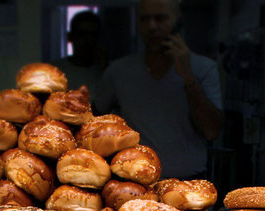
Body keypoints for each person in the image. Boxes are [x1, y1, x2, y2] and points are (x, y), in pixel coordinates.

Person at [94, 0, 223, 180]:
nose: (152, 26)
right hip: (134, 186)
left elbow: (211, 130)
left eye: (160, 18)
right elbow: (93, 124)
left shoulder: (204, 68)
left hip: (189, 187)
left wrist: (187, 76)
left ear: (178, 21)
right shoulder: (118, 71)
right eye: (145, 19)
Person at [52, 11, 107, 97]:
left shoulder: (109, 71)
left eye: (93, 35)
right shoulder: (54, 72)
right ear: (70, 36)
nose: (87, 40)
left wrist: (105, 70)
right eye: (81, 34)